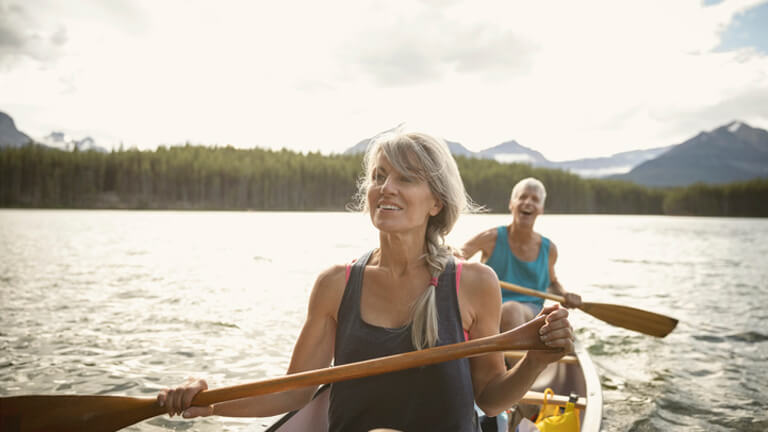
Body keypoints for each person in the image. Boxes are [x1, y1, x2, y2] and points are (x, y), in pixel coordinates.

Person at [157, 132, 574, 431]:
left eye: (405, 178)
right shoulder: (335, 285)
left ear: (436, 202)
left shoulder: (475, 283)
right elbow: (293, 393)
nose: (385, 188)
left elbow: (489, 399)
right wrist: (208, 403)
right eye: (378, 176)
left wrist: (535, 359)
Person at [459, 177, 583, 334]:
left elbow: (551, 283)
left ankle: (522, 356)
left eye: (535, 199)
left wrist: (565, 295)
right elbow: (457, 257)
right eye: (522, 197)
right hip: (488, 309)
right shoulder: (491, 237)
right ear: (512, 204)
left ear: (541, 209)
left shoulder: (549, 249)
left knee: (512, 310)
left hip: (531, 313)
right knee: (508, 309)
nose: (528, 202)